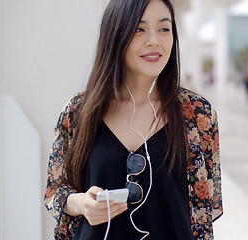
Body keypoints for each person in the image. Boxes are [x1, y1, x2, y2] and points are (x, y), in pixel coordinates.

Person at [44, 0, 223, 239]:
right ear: (116, 34)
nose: (154, 41)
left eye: (164, 28)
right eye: (139, 29)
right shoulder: (78, 111)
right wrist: (82, 204)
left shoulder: (197, 114)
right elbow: (54, 191)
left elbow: (205, 213)